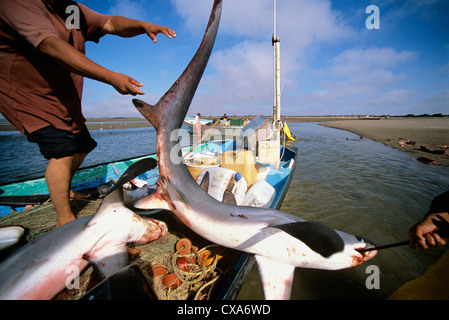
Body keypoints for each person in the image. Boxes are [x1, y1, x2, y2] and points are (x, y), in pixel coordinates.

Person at [0, 0, 176, 227]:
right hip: (28, 93)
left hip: (62, 93)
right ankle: (65, 219)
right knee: (62, 151)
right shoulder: (19, 4)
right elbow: (50, 45)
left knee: (83, 145)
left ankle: (67, 190)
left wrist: (142, 25)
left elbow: (110, 23)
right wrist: (111, 77)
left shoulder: (71, 10)